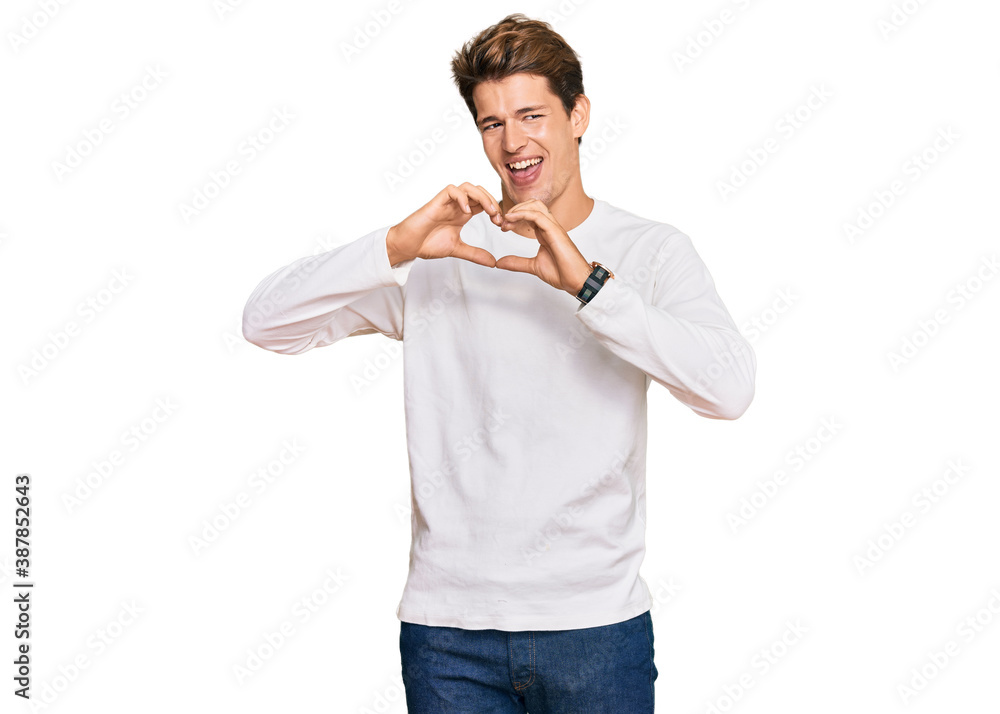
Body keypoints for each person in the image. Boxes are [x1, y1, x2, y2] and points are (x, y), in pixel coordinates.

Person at [242, 12, 756, 713]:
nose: (513, 143)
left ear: (578, 114)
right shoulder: (447, 254)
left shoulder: (650, 251)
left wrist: (588, 286)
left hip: (595, 630)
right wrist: (395, 244)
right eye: (491, 123)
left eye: (532, 115)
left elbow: (727, 390)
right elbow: (267, 323)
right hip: (448, 637)